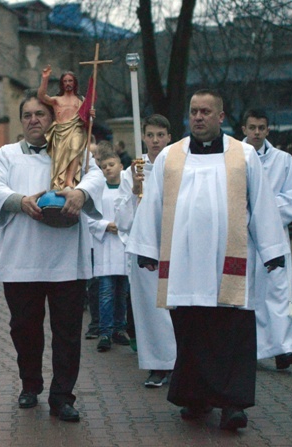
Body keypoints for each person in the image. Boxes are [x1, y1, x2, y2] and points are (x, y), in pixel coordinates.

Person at [126, 89, 288, 430]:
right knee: (191, 331)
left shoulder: (243, 155)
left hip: (227, 263)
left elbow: (261, 204)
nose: (198, 117)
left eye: (205, 111)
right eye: (193, 111)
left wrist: (272, 251)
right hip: (183, 264)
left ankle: (233, 405)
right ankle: (196, 399)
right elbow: (153, 202)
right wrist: (146, 248)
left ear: (221, 117)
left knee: (232, 333)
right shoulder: (170, 157)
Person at [0, 89, 105, 422]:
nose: (34, 120)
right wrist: (20, 201)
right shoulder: (7, 154)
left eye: (40, 114)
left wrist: (80, 192)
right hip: (21, 259)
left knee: (67, 331)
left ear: (52, 118)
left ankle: (63, 396)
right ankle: (30, 384)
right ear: (21, 121)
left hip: (65, 259)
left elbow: (96, 176)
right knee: (24, 328)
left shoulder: (73, 148)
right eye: (27, 115)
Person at [114, 114, 177, 388]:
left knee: (176, 306)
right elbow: (123, 219)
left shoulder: (179, 167)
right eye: (150, 135)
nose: (155, 140)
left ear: (169, 137)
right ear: (143, 137)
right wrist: (134, 192)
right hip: (145, 248)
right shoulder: (132, 172)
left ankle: (182, 362)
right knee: (150, 307)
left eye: (160, 135)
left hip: (175, 245)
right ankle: (158, 364)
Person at [242, 109, 292, 370]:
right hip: (243, 237)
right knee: (248, 293)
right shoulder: (233, 157)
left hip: (275, 236)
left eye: (261, 127)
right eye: (252, 127)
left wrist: (265, 212)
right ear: (244, 129)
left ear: (268, 130)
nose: (257, 132)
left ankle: (283, 348)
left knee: (279, 292)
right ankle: (248, 348)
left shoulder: (283, 160)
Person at [88, 150, 130, 352]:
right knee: (105, 292)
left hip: (124, 246)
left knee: (122, 293)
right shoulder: (97, 191)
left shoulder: (128, 187)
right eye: (104, 166)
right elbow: (88, 216)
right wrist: (105, 225)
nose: (108, 169)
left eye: (111, 164)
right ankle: (104, 331)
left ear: (121, 166)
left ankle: (119, 329)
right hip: (105, 245)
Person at [37, 66, 94, 190]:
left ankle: (69, 180)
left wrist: (90, 116)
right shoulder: (57, 100)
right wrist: (45, 79)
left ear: (75, 83)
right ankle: (58, 183)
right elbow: (41, 96)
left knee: (75, 149)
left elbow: (86, 123)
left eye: (70, 81)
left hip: (76, 129)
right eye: (65, 81)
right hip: (60, 132)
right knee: (59, 160)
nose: (68, 83)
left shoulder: (81, 100)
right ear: (62, 84)